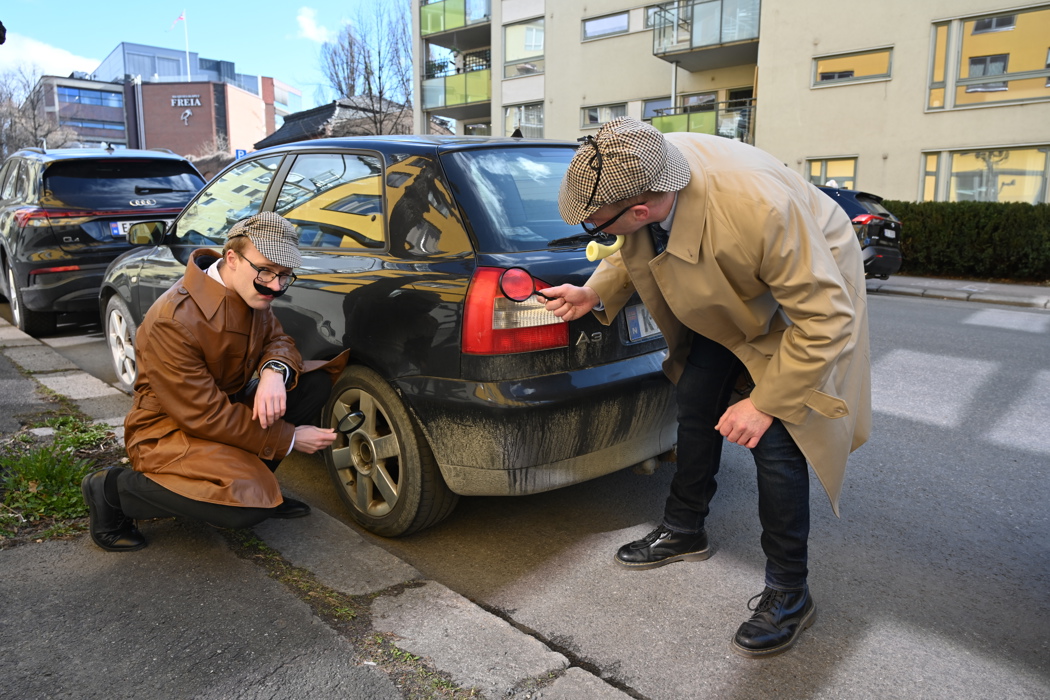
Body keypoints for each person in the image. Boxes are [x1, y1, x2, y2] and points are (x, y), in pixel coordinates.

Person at [543, 117, 870, 658]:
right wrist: (593, 292)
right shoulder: (646, 163)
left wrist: (764, 403)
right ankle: (684, 529)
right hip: (735, 276)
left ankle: (790, 592)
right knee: (696, 396)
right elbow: (638, 246)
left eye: (597, 225)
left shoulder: (760, 209)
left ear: (640, 207)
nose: (597, 232)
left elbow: (825, 319)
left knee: (778, 437)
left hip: (812, 281)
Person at [81, 212, 350, 552]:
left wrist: (273, 372)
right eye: (266, 271)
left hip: (223, 414)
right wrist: (291, 438)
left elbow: (279, 341)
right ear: (232, 258)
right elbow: (204, 415)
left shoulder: (250, 291)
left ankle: (255, 484)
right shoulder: (173, 320)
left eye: (285, 275)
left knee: (312, 383)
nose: (275, 286)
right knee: (246, 510)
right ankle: (113, 490)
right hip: (170, 431)